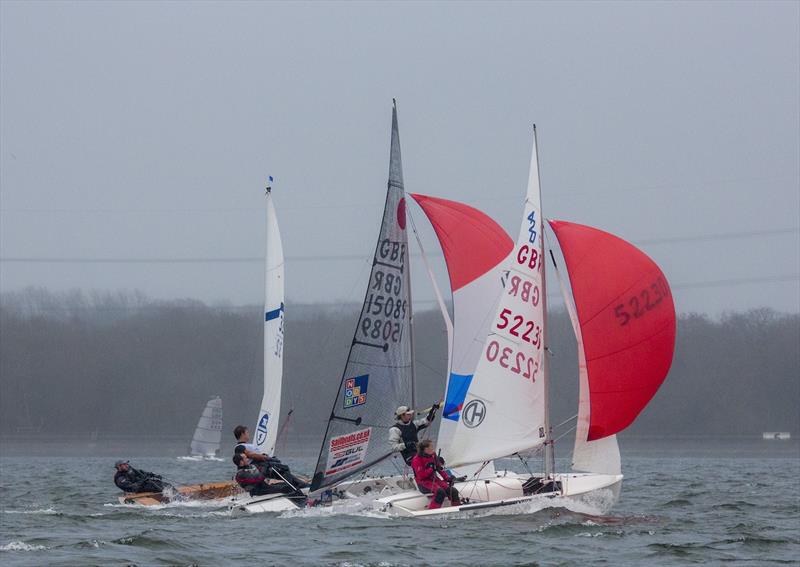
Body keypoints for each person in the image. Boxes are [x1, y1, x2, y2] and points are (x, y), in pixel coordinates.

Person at [232, 425, 308, 488]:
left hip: (263, 465)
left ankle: (301, 485)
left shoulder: (247, 445)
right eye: (247, 432)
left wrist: (267, 457)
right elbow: (252, 455)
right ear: (242, 434)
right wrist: (267, 458)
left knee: (284, 470)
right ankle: (296, 487)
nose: (248, 434)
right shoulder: (239, 447)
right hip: (258, 468)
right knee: (283, 470)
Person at [232, 453, 305, 502]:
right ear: (241, 462)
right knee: (287, 488)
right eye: (245, 458)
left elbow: (260, 470)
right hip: (257, 491)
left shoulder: (251, 466)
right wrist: (265, 468)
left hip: (265, 487)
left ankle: (303, 497)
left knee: (289, 485)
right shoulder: (240, 474)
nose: (248, 459)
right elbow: (259, 479)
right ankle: (302, 502)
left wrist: (266, 461)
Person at [410, 440, 461, 510]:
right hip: (423, 483)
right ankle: (432, 510)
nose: (433, 448)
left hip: (435, 480)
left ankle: (457, 507)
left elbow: (439, 468)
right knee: (440, 492)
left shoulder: (433, 455)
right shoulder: (416, 460)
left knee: (453, 491)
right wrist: (431, 468)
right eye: (431, 447)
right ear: (425, 449)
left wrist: (447, 478)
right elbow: (421, 476)